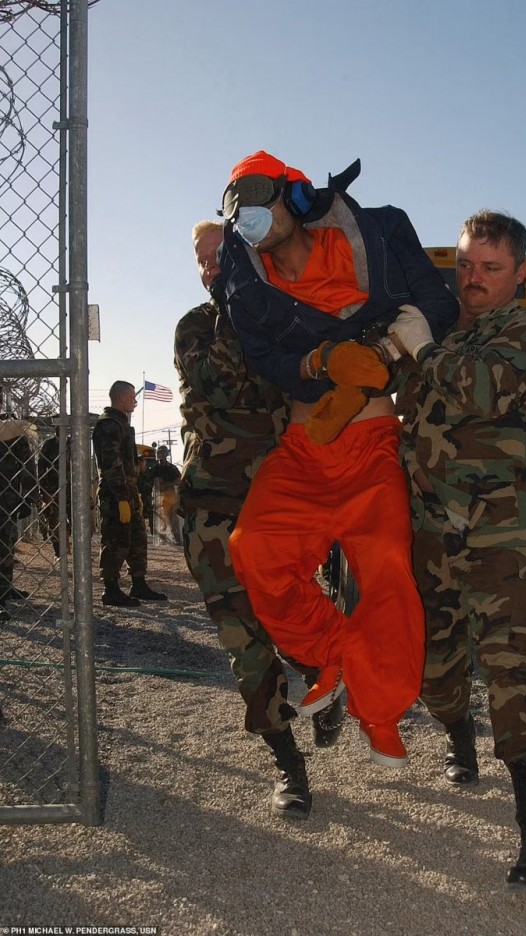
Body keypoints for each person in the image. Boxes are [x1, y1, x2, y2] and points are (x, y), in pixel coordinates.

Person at [219, 150, 459, 768]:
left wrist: (382, 348)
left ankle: (378, 712)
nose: (246, 215)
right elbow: (264, 361)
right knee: (255, 549)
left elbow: (439, 305)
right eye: (233, 208)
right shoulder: (244, 285)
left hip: (374, 443)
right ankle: (336, 654)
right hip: (303, 449)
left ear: (294, 197)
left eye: (256, 198)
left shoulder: (378, 230)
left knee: (385, 573)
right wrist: (319, 363)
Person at [393, 210, 526, 891]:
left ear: (517, 274)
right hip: (430, 528)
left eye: (490, 269)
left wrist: (423, 350)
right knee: (436, 665)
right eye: (466, 265)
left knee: (512, 667)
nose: (473, 279)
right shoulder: (441, 328)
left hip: (501, 534)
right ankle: (457, 734)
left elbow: (483, 388)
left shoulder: (525, 331)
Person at [174, 220, 344, 821]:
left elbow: (318, 386)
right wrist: (235, 304)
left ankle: (324, 677)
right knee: (242, 639)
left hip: (277, 510)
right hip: (212, 510)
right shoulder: (197, 325)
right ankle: (287, 763)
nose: (210, 268)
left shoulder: (286, 316)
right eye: (202, 261)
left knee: (287, 614)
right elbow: (216, 384)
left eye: (221, 256)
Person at [92, 381, 168, 607]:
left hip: (128, 489)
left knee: (136, 537)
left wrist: (133, 494)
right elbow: (111, 464)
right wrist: (122, 497)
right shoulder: (109, 424)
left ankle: (138, 582)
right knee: (115, 538)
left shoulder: (121, 423)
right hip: (115, 491)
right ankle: (111, 589)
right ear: (122, 397)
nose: (135, 401)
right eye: (132, 396)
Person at [0, 414, 38, 621]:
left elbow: (27, 465)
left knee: (6, 543)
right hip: (8, 497)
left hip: (7, 498)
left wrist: (29, 496)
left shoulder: (12, 430)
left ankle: (4, 587)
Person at [39, 425, 71, 559]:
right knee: (53, 520)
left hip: (73, 488)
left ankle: (75, 545)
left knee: (85, 518)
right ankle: (59, 552)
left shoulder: (74, 443)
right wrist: (44, 491)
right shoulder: (49, 445)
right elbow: (41, 467)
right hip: (53, 488)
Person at [149, 445, 181, 544]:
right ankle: (162, 539)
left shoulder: (172, 468)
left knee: (173, 519)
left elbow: (179, 480)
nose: (161, 459)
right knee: (160, 519)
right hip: (159, 497)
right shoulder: (154, 469)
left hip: (170, 496)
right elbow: (149, 482)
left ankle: (176, 538)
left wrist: (169, 483)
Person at [136, 455, 155, 536]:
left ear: (145, 463)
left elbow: (153, 485)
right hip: (138, 499)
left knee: (152, 515)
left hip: (149, 498)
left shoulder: (150, 473)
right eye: (139, 462)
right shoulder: (135, 474)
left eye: (142, 462)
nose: (141, 464)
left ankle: (153, 531)